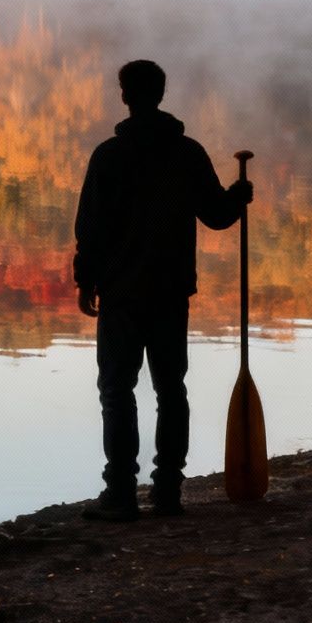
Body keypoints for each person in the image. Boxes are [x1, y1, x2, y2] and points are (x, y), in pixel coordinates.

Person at [73, 60, 251, 522]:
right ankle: (168, 491)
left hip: (122, 290)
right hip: (171, 290)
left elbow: (89, 227)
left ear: (125, 95)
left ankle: (121, 493)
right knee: (171, 388)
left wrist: (85, 280)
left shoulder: (109, 156)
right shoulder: (186, 152)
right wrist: (238, 194)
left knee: (117, 389)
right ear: (161, 93)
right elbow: (216, 215)